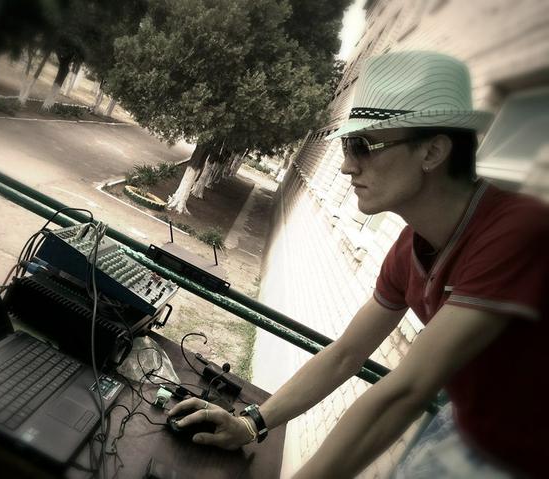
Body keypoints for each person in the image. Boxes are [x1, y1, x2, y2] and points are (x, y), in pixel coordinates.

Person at [168, 51, 549, 478]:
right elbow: (345, 354)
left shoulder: (518, 231)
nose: (347, 166)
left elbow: (408, 389)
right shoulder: (411, 247)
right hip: (472, 424)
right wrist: (249, 423)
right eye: (347, 146)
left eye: (363, 146)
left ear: (432, 151)